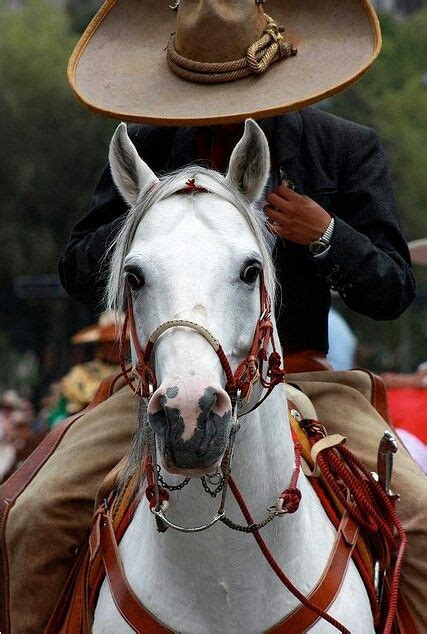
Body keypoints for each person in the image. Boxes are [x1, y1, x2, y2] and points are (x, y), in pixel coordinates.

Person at [3, 2, 425, 633]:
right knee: (33, 515)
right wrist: (146, 225)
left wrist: (328, 235)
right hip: (156, 379)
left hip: (305, 378)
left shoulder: (341, 149)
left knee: (419, 520)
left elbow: (393, 289)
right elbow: (76, 266)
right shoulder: (146, 144)